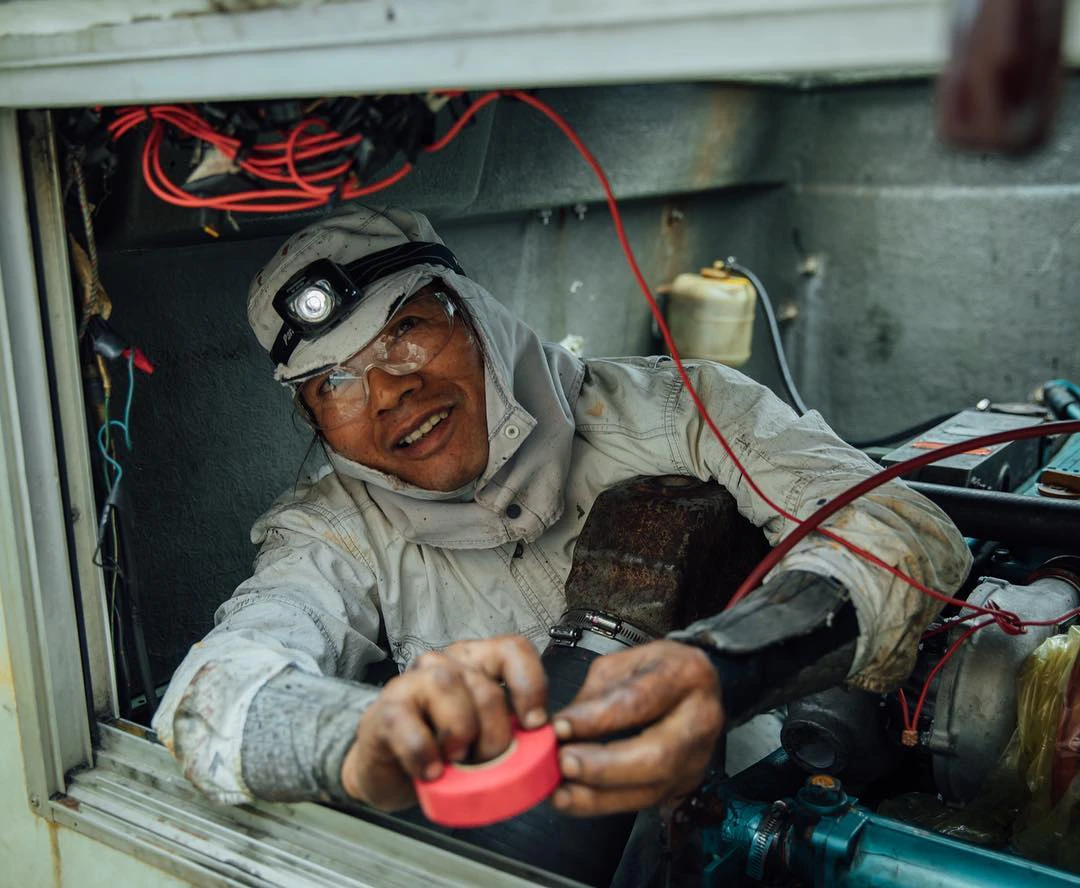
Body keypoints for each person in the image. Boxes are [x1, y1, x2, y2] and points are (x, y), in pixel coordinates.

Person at [152, 205, 970, 818]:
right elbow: (213, 691)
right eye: (335, 382)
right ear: (311, 421)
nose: (390, 391)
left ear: (474, 313)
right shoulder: (332, 531)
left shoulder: (684, 410)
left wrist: (724, 669)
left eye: (406, 329)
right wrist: (356, 739)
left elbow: (901, 528)